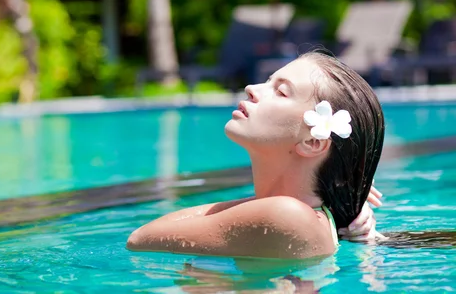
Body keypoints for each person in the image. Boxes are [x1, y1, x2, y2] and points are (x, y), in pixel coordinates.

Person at [127, 50, 385, 259]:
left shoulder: (287, 215)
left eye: (281, 91)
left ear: (312, 143)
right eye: (268, 81)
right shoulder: (304, 217)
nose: (252, 88)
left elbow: (140, 239)